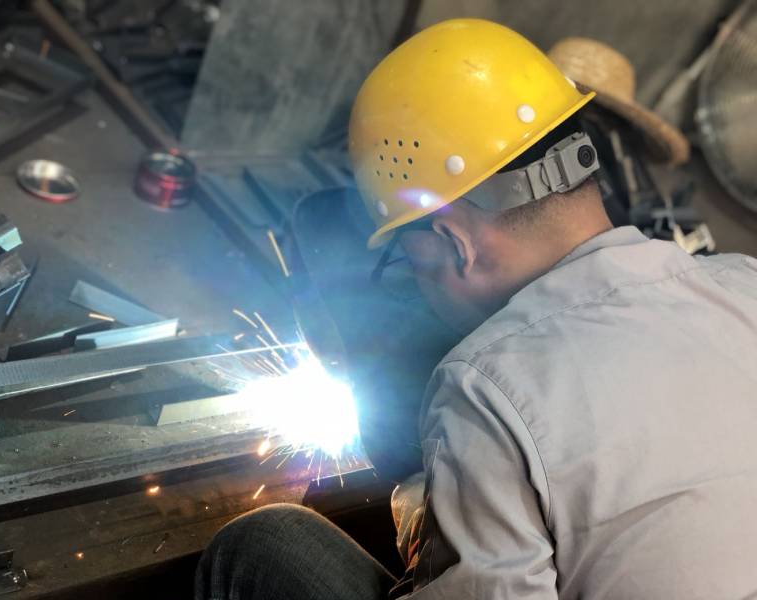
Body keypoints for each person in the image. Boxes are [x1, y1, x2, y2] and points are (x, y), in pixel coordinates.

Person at [196, 19, 757, 599]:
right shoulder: (745, 281)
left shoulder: (484, 387)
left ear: (454, 242)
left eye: (406, 260)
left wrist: (436, 538)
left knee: (266, 544)